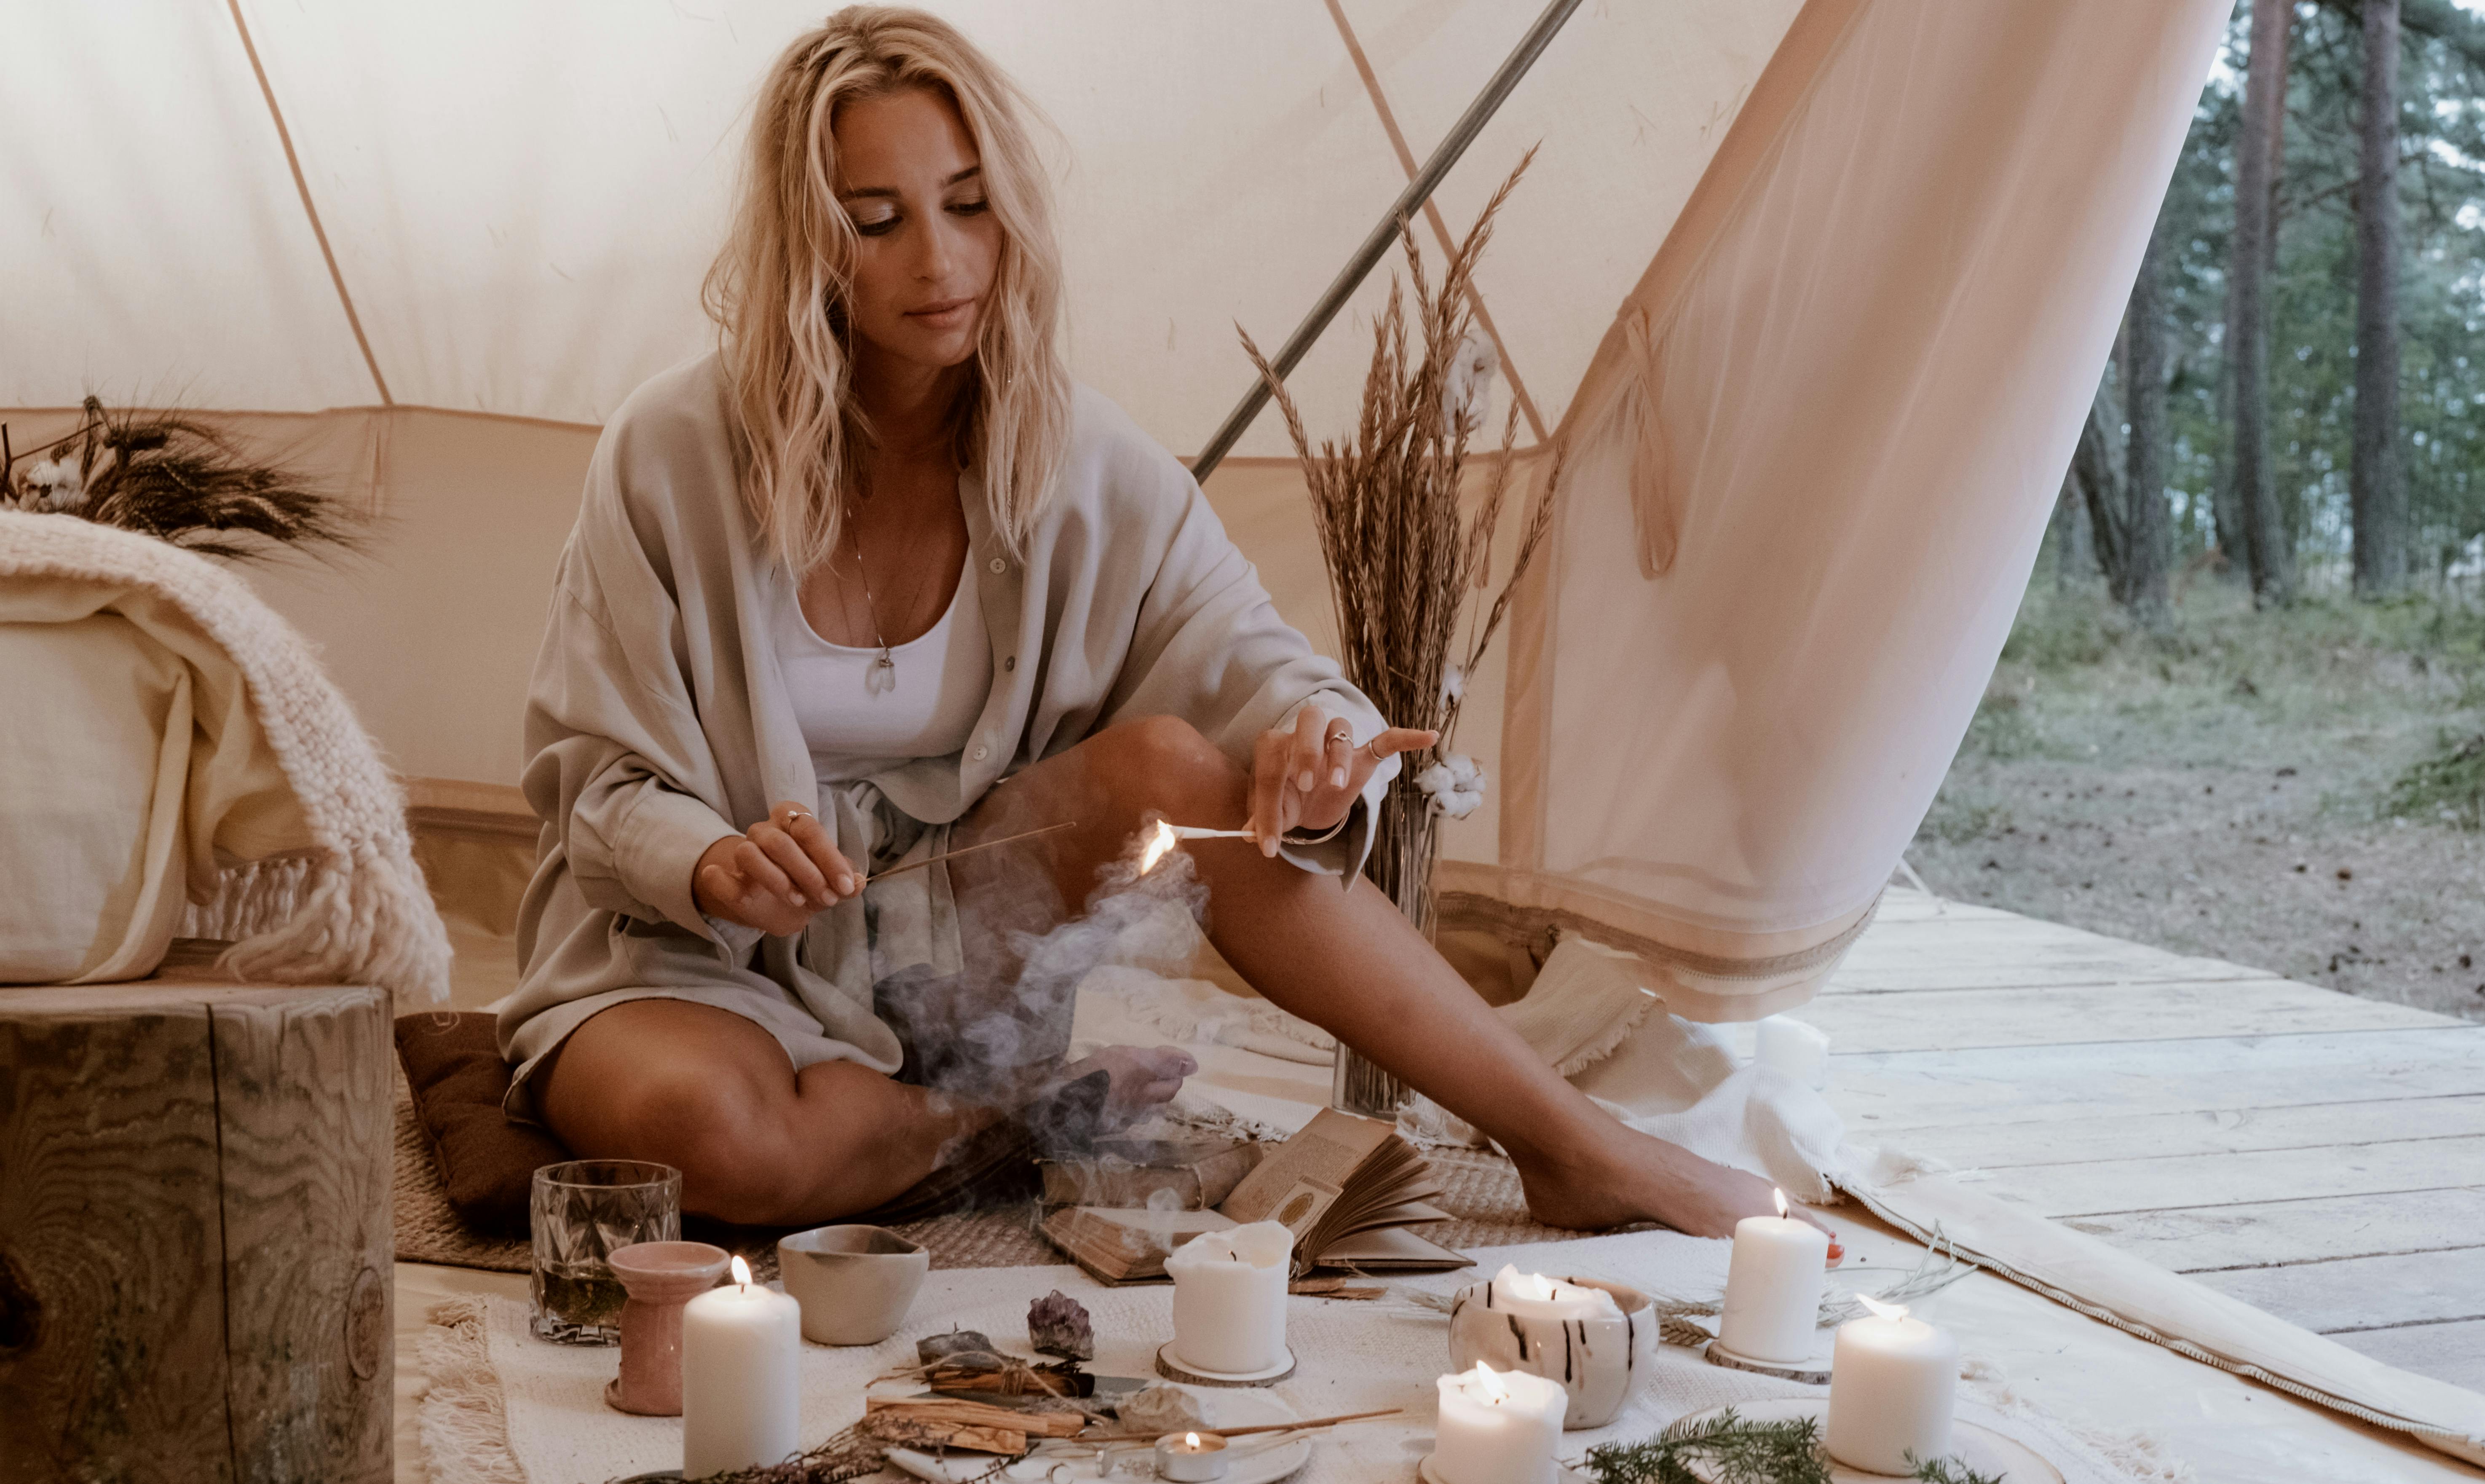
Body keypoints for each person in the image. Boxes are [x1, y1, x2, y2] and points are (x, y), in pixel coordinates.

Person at [498, 5, 1834, 1257]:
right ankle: (1011, 1113)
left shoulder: (1078, 461)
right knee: (709, 1140)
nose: (942, 260)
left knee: (1181, 778)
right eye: (877, 219)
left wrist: (1323, 744)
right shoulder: (667, 455)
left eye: (969, 204)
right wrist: (716, 862)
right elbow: (595, 784)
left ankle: (1575, 1144)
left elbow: (1259, 667)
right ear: (809, 243)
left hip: (948, 944)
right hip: (696, 951)